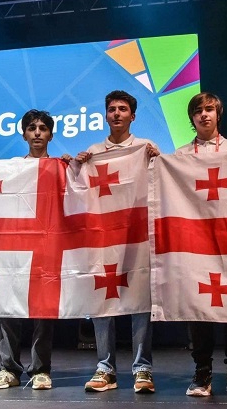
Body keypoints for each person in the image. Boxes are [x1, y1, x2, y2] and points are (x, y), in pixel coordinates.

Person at [75, 90, 159, 394]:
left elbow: (162, 184)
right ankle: (105, 369)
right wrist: (75, 165)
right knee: (102, 298)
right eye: (112, 109)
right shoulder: (93, 152)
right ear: (106, 115)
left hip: (136, 235)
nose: (117, 114)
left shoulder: (145, 148)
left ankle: (142, 368)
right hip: (104, 237)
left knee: (140, 301)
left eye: (123, 109)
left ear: (132, 116)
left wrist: (159, 161)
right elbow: (78, 190)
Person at [175, 92, 227, 397]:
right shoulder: (181, 155)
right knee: (199, 308)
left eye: (209, 109)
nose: (204, 115)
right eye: (198, 111)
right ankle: (202, 374)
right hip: (196, 242)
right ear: (192, 118)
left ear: (218, 114)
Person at [0, 109, 71, 391]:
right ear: (23, 134)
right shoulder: (12, 167)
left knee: (43, 310)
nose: (37, 132)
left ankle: (41, 370)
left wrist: (71, 167)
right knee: (9, 306)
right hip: (16, 246)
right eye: (32, 128)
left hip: (47, 246)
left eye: (43, 128)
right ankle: (8, 369)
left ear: (51, 135)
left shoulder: (60, 167)